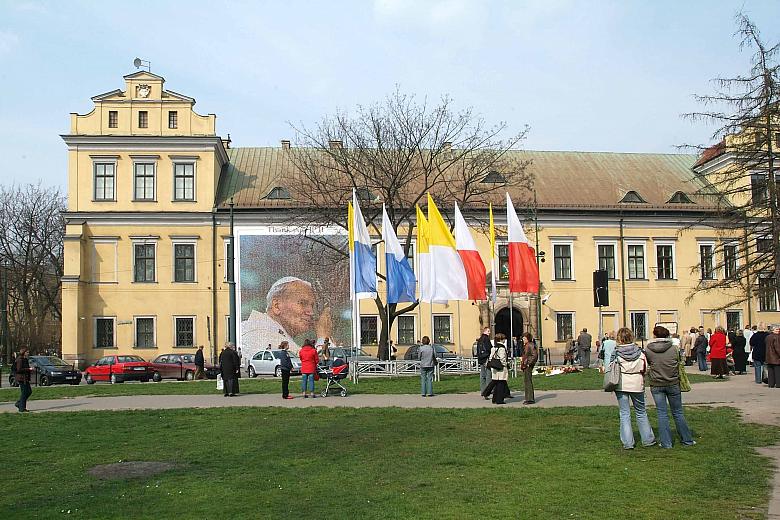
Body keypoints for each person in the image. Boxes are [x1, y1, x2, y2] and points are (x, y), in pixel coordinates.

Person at [240, 277, 333, 361]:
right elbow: (315, 366)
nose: (311, 312)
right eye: (302, 303)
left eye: (312, 306)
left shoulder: (269, 331)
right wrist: (323, 338)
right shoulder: (260, 334)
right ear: (277, 306)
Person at [644, 326, 695, 448]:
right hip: (672, 382)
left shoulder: (648, 350)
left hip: (657, 383)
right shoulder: (674, 349)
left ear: (655, 335)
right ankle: (687, 440)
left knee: (662, 413)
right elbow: (679, 361)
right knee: (677, 412)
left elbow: (648, 364)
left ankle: (666, 443)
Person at [613, 327, 655, 450]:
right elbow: (646, 368)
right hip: (637, 383)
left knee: (625, 413)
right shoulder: (640, 352)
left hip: (622, 384)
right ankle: (647, 439)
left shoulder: (616, 352)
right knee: (641, 412)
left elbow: (611, 367)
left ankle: (628, 442)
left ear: (619, 339)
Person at [485, 333, 509, 404]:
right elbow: (502, 359)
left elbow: (490, 357)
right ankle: (499, 400)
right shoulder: (502, 348)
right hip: (501, 367)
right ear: (501, 339)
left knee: (496, 382)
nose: (504, 340)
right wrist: (506, 364)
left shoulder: (493, 347)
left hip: (494, 367)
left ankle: (494, 399)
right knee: (501, 383)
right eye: (504, 338)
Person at [14, 349, 34, 413]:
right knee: (24, 392)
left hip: (25, 378)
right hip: (21, 378)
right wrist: (28, 369)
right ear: (24, 353)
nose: (28, 353)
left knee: (29, 392)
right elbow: (19, 369)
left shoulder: (25, 359)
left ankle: (19, 403)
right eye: (27, 352)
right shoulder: (20, 359)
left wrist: (30, 370)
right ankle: (22, 408)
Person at [520, 333, 538, 405]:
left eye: (524, 338)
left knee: (528, 381)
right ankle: (528, 398)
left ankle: (530, 399)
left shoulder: (530, 345)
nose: (523, 340)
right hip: (525, 364)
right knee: (526, 381)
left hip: (528, 365)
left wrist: (528, 363)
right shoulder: (527, 345)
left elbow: (534, 355)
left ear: (528, 338)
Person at [475, 327, 493, 395]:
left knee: (482, 375)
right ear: (485, 331)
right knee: (488, 375)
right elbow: (489, 349)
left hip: (481, 359)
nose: (489, 332)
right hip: (486, 358)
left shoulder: (479, 340)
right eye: (488, 331)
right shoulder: (486, 339)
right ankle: (488, 390)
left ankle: (483, 390)